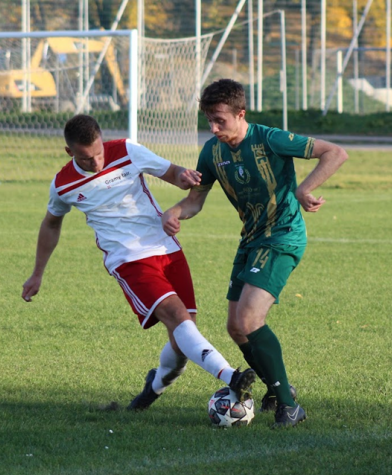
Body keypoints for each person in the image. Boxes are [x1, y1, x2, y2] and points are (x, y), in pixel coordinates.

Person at [21, 114, 255, 410]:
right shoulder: (63, 185)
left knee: (183, 339)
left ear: (102, 140)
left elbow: (172, 172)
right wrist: (37, 274)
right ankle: (232, 377)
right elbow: (51, 224)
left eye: (98, 153)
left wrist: (185, 177)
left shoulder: (127, 150)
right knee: (177, 317)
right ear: (70, 153)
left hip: (166, 248)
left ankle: (152, 390)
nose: (96, 163)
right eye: (85, 158)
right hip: (127, 258)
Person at [161, 79, 348, 428]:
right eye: (209, 121)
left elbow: (335, 152)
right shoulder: (212, 152)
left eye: (221, 121)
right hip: (250, 240)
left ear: (240, 114)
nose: (214, 128)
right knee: (235, 327)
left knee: (248, 320)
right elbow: (194, 202)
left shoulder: (269, 138)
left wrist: (304, 188)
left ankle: (289, 406)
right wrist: (173, 212)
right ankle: (277, 389)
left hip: (282, 235)